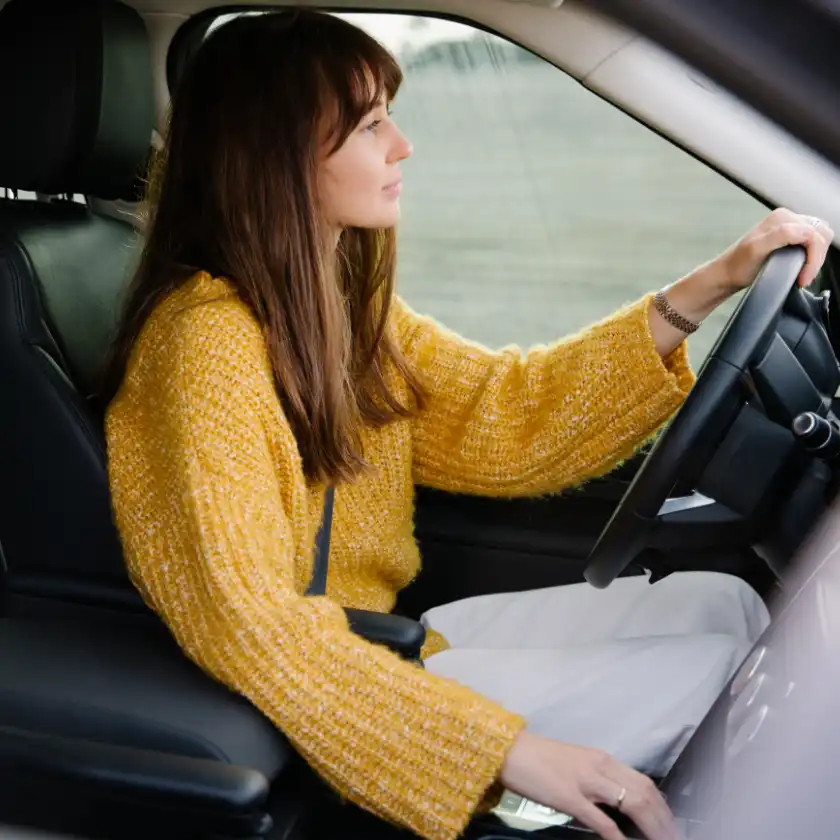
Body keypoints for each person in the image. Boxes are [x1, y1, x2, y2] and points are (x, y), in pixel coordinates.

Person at [102, 10, 832, 840]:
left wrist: (708, 287)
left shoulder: (332, 309)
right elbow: (247, 622)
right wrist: (507, 750)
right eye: (372, 123)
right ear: (280, 156)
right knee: (717, 676)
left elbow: (504, 416)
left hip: (367, 641)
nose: (402, 145)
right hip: (322, 687)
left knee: (728, 606)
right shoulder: (203, 346)